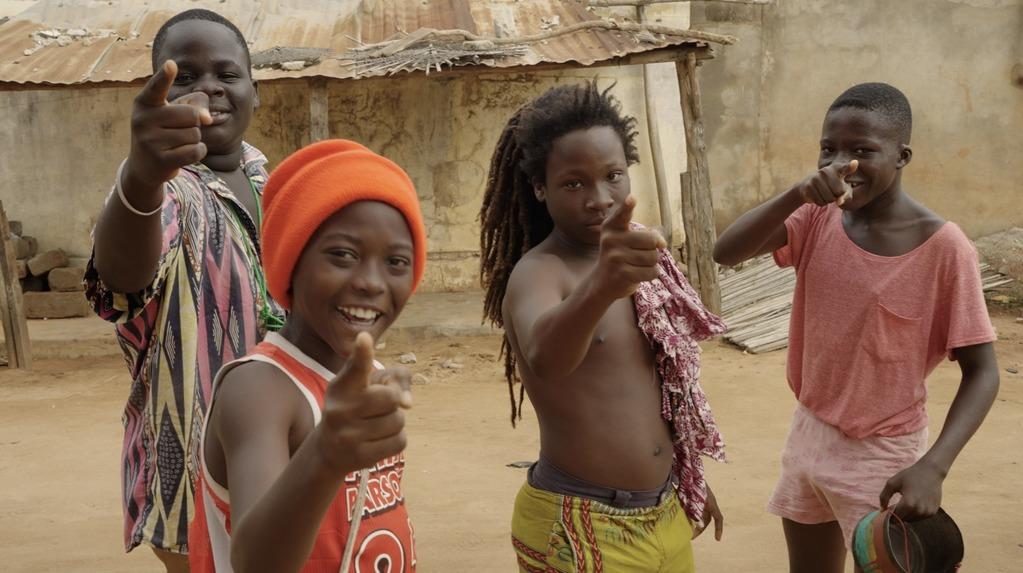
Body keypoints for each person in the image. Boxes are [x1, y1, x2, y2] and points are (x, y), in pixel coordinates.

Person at [713, 82, 1000, 573]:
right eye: (829, 149)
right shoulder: (817, 217)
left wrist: (933, 466)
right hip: (810, 431)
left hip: (883, 456)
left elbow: (983, 372)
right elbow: (726, 252)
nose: (841, 163)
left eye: (863, 150)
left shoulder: (944, 249)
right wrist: (794, 194)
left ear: (902, 155)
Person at [479, 82, 726, 573]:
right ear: (539, 188)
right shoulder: (540, 272)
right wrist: (601, 287)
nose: (599, 198)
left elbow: (655, 389)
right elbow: (546, 359)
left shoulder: (639, 259)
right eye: (574, 183)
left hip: (661, 509)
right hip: (580, 521)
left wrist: (683, 476)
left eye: (613, 175)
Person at [85, 9, 283, 571]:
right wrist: (142, 178)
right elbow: (122, 281)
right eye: (187, 77)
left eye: (228, 73)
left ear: (255, 90)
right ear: (160, 93)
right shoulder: (164, 191)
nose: (210, 89)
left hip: (282, 453)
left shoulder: (270, 180)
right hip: (193, 475)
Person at [188, 139, 425, 572]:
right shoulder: (260, 389)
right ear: (290, 261)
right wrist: (325, 454)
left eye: (396, 262)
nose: (371, 282)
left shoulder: (367, 379)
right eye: (342, 255)